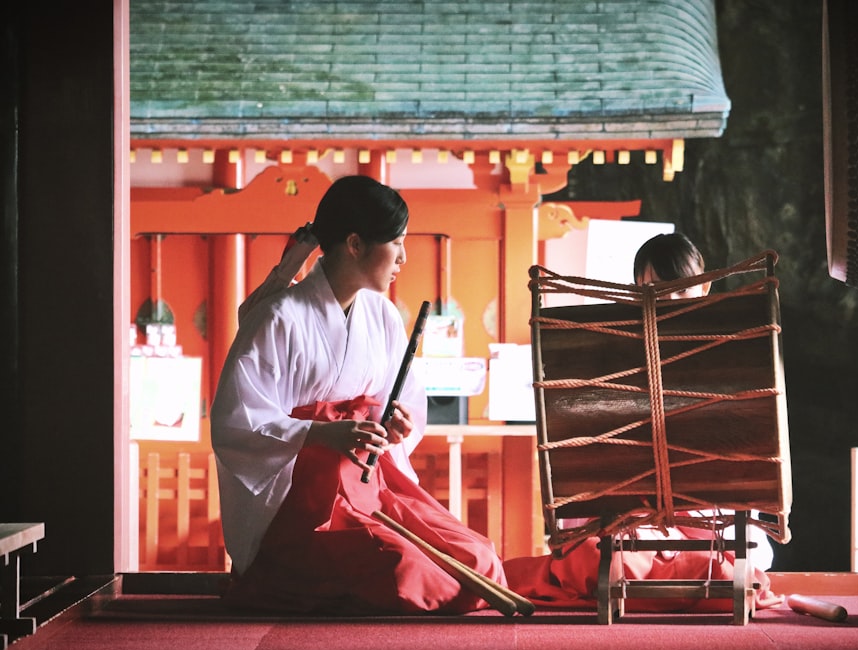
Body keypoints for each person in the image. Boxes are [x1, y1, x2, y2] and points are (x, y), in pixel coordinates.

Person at [210, 174, 505, 615]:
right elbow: (237, 421)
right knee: (405, 570)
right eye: (397, 243)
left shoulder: (382, 315)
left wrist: (398, 423)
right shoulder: (279, 317)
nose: (404, 257)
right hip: (301, 504)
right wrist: (322, 434)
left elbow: (399, 399)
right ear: (354, 243)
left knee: (478, 560)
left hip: (369, 486)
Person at [505, 231, 780, 613]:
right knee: (598, 559)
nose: (664, 300)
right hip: (628, 514)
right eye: (651, 289)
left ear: (704, 287)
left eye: (678, 289)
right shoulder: (608, 347)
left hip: (702, 519)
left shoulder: (730, 348)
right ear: (635, 290)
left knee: (733, 572)